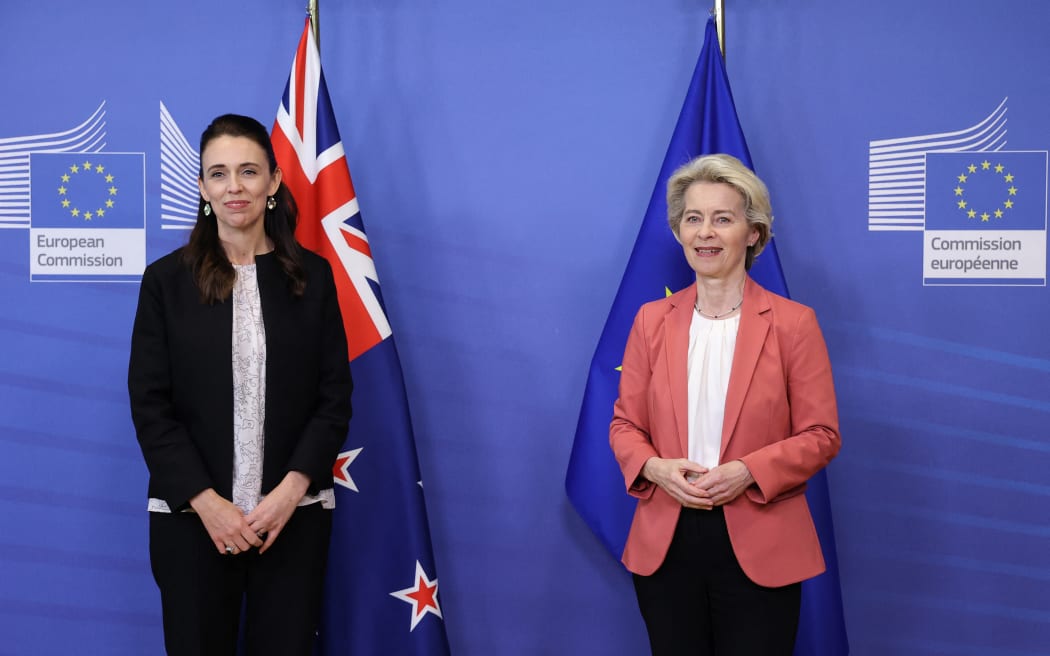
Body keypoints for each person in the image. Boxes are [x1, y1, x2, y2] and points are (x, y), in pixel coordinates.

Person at [128, 114, 352, 656]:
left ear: (273, 181)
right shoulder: (165, 282)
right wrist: (208, 504)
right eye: (219, 173)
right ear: (203, 187)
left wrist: (289, 493)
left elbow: (334, 398)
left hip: (292, 519)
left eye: (249, 171)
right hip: (192, 522)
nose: (235, 186)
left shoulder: (315, 278)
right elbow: (151, 405)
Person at [609, 153, 841, 655]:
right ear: (678, 231)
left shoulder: (794, 324)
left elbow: (821, 435)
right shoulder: (651, 320)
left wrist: (748, 471)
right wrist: (655, 468)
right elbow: (625, 425)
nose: (705, 233)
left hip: (762, 538)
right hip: (666, 540)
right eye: (693, 218)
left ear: (753, 233)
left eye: (723, 218)